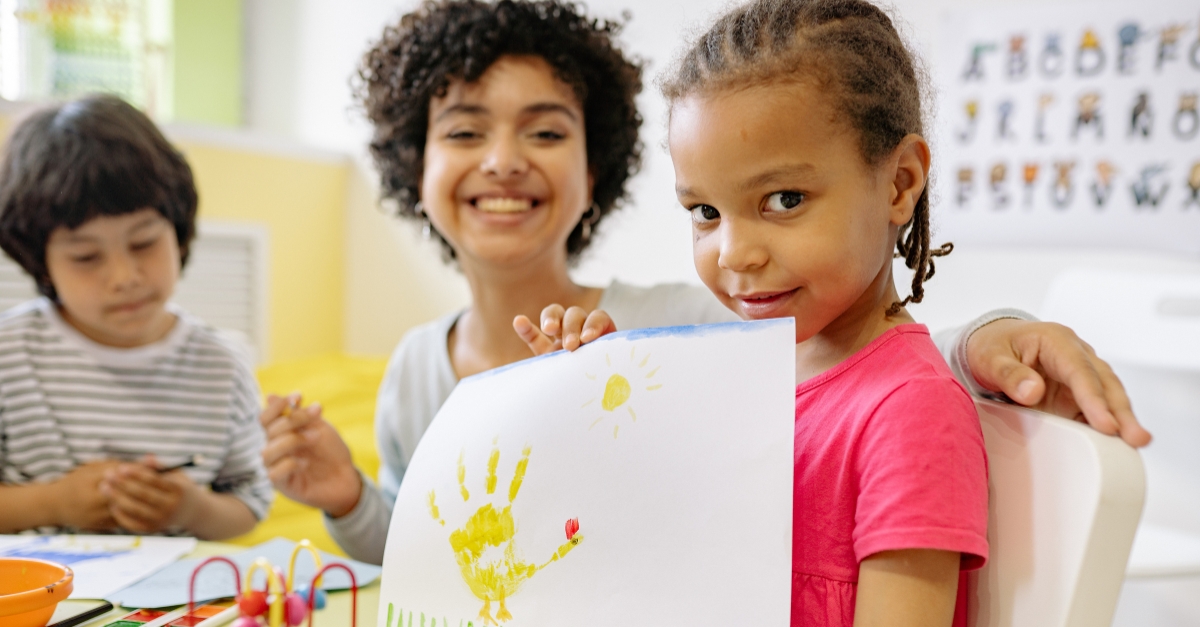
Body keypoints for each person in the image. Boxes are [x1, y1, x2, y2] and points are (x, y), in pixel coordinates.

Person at [259, 0, 1149, 566]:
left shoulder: (688, 327)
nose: (501, 161)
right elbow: (428, 552)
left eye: (543, 131)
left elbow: (858, 366)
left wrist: (986, 337)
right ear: (408, 166)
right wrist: (345, 497)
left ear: (595, 162)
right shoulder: (417, 368)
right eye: (462, 132)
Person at [0, 94, 273, 538]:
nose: (124, 277)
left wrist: (191, 509)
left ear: (178, 231)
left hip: (178, 602)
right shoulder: (8, 355)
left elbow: (249, 502)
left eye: (144, 243)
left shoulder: (221, 365)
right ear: (39, 259)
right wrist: (53, 502)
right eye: (87, 257)